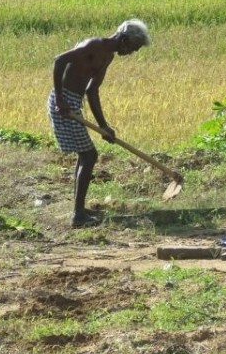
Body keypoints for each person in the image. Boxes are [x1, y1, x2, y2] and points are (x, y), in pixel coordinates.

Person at [48, 19, 151, 228]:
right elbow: (59, 61)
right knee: (89, 155)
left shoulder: (108, 57)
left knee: (85, 154)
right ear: (124, 40)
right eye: (133, 47)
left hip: (74, 102)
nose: (132, 52)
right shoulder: (94, 46)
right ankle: (77, 215)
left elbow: (92, 90)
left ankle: (79, 210)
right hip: (63, 103)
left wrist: (104, 125)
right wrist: (60, 98)